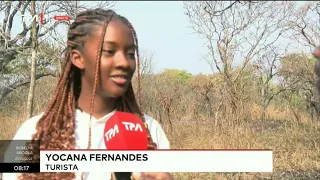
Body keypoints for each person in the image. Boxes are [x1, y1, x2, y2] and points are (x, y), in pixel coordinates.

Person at [2, 8, 173, 180]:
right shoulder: (33, 132)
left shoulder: (149, 130)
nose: (124, 63)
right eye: (109, 52)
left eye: (130, 53)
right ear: (78, 58)